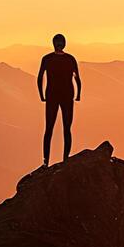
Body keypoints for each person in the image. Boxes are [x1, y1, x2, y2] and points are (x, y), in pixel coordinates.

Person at [37, 34, 81, 166]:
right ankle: (66, 159)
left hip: (52, 95)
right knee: (67, 128)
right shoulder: (70, 59)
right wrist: (78, 94)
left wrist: (41, 95)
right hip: (67, 95)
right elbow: (77, 78)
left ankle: (46, 161)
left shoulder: (47, 59)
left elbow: (40, 78)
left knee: (49, 128)